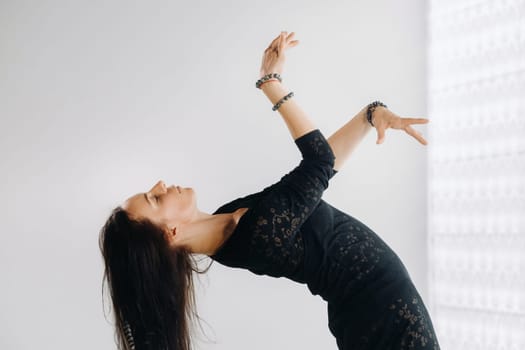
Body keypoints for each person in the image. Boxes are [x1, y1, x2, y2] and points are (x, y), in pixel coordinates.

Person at [99, 31, 441, 350]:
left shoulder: (227, 222)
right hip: (385, 312)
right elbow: (319, 162)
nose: (160, 185)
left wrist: (370, 116)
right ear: (171, 232)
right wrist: (270, 82)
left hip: (369, 307)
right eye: (155, 199)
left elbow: (314, 178)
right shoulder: (257, 235)